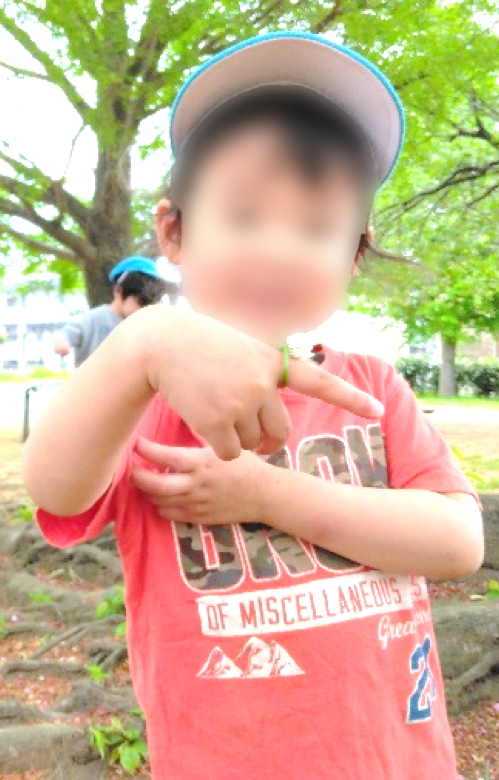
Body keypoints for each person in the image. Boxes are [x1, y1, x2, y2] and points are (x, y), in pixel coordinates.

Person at [23, 32, 483, 780]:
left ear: (353, 256)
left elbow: (457, 542)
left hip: (399, 762)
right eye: (243, 216)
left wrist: (265, 493)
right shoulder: (141, 400)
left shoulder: (371, 386)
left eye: (315, 228)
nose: (277, 248)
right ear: (174, 231)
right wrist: (145, 345)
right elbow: (55, 487)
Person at [53, 256, 170, 367]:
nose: (144, 309)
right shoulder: (95, 318)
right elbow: (66, 334)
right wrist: (62, 343)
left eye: (149, 304)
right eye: (141, 302)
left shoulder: (147, 325)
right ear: (118, 290)